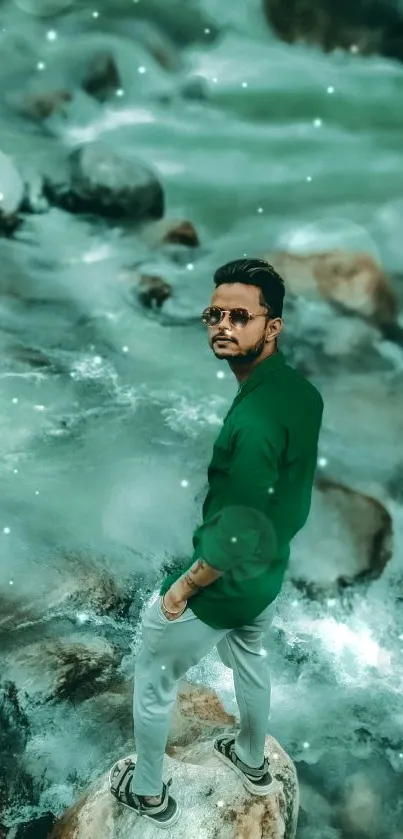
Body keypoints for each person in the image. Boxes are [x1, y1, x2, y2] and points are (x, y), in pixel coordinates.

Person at [109, 258, 324, 828]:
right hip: (268, 574)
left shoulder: (253, 423)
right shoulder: (300, 394)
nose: (222, 326)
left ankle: (149, 794)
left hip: (225, 581)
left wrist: (182, 589)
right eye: (214, 314)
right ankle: (252, 761)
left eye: (239, 316)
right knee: (251, 660)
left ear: (271, 326)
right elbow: (288, 496)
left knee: (154, 676)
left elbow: (236, 532)